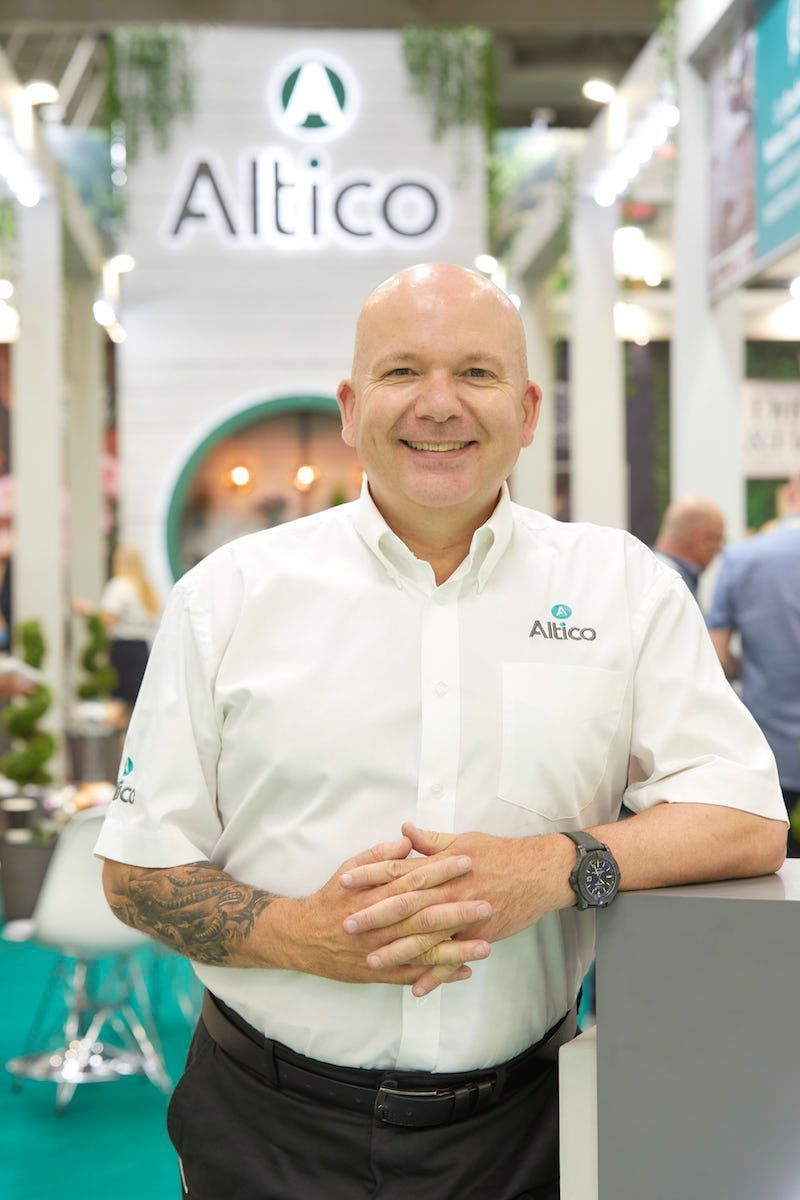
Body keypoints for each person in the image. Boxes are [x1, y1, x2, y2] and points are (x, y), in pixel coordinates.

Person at [96, 264, 787, 1200]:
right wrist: (302, 935)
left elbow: (746, 817)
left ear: (529, 407)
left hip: (520, 1134)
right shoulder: (231, 596)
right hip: (264, 1124)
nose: (438, 403)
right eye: (400, 372)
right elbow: (136, 872)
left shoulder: (620, 589)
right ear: (349, 405)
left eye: (476, 372)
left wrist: (550, 868)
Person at [707, 474, 800, 855]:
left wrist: (748, 666)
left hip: (770, 745)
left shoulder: (742, 558)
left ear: (790, 494)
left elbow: (717, 656)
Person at [95, 546, 160, 711]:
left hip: (123, 650)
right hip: (141, 649)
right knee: (137, 702)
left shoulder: (119, 586)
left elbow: (108, 617)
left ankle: (121, 736)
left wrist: (86, 610)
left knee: (120, 704)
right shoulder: (146, 589)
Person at [652, 496, 725, 599]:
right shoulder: (675, 584)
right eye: (717, 539)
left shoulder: (647, 571)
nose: (719, 550)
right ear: (701, 540)